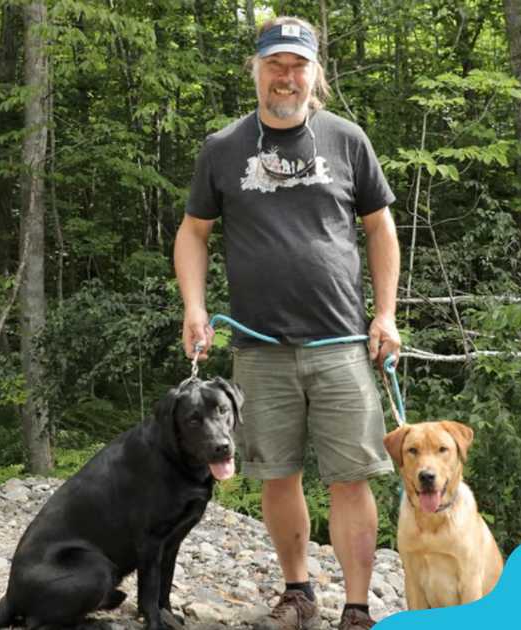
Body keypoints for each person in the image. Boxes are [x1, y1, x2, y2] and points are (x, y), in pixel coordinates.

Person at [174, 16, 400, 630]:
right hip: (259, 347)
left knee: (352, 479)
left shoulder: (347, 139)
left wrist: (386, 314)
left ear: (314, 73)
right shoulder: (222, 148)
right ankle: (298, 593)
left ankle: (356, 607)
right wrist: (194, 307)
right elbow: (193, 234)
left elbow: (380, 228)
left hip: (342, 342)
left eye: (298, 65)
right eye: (275, 64)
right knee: (277, 475)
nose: (286, 76)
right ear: (256, 70)